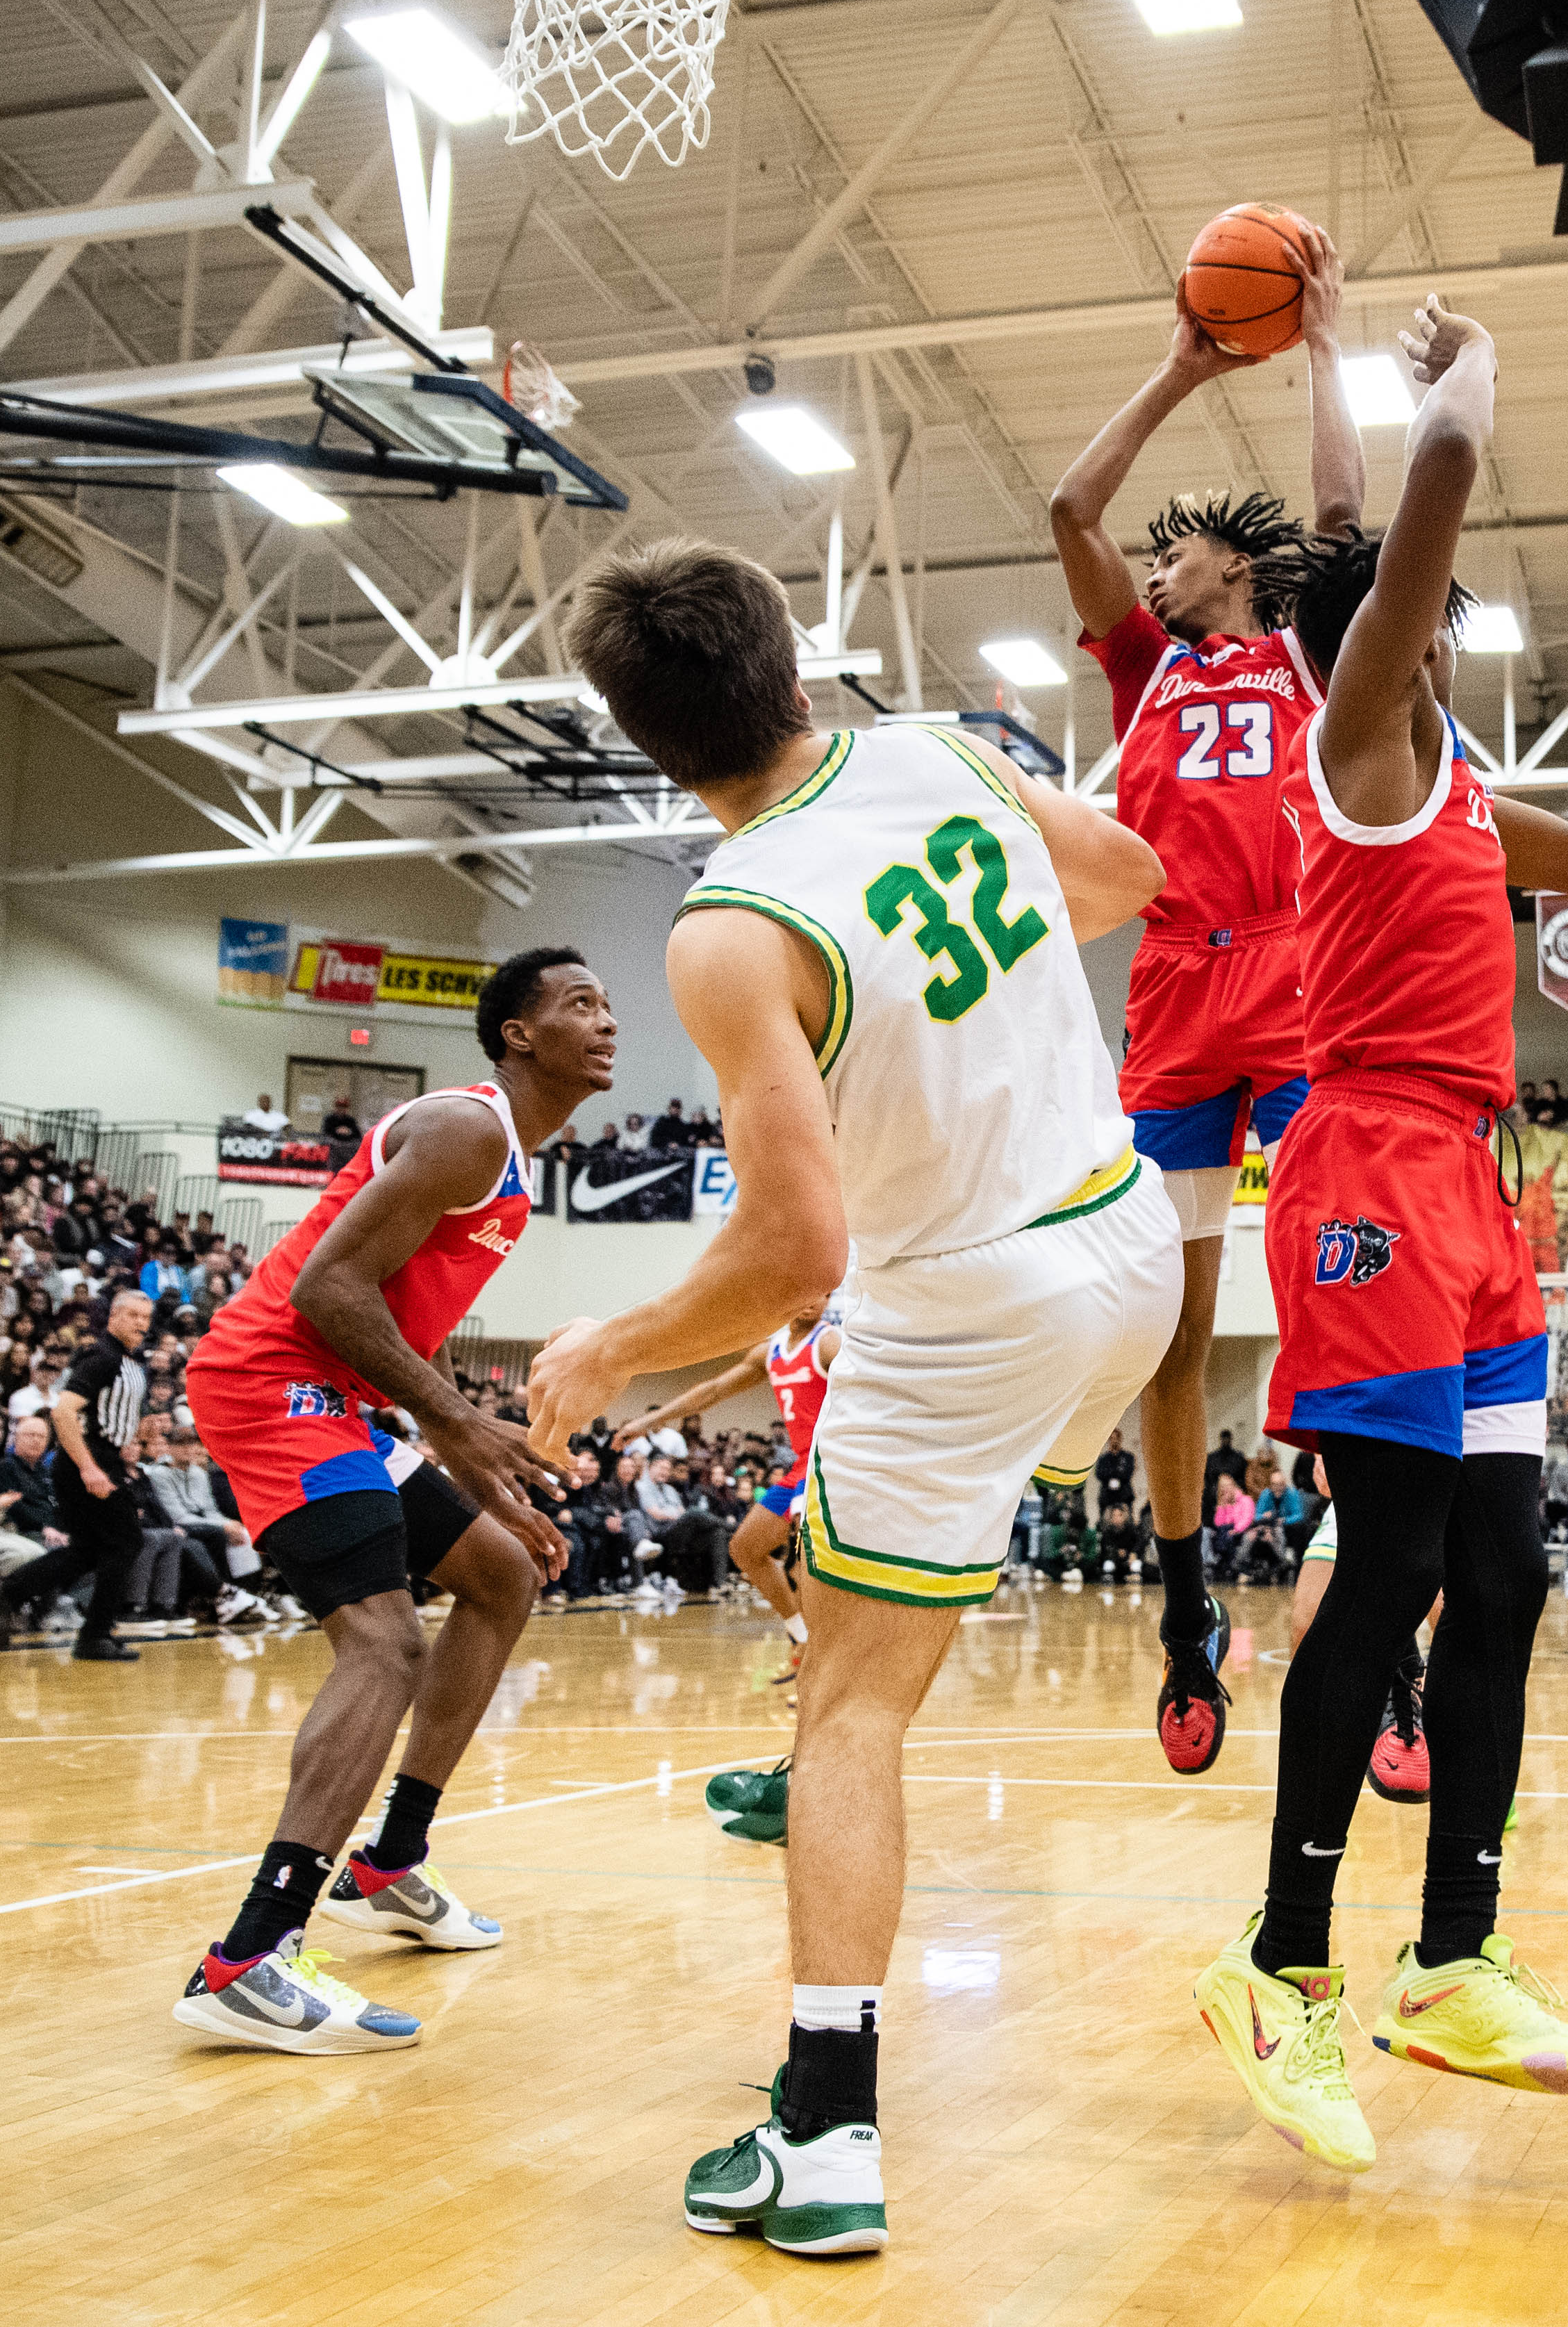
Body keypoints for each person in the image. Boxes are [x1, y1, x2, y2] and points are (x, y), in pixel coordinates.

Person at [520, 536, 1180, 2258]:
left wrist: (613, 1346)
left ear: (650, 749)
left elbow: (800, 1255)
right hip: (1133, 1258)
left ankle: (822, 2137)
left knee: (854, 1711)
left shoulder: (731, 929)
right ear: (795, 672)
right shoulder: (937, 750)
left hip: (965, 1309)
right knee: (831, 1563)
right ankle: (1060, 1573)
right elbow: (1123, 872)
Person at [1206, 295, 1568, 2174]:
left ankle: (1450, 1959)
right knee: (1389, 1570)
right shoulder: (1352, 732)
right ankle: (1280, 1968)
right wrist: (1455, 375)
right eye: (1402, 598)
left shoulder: (1437, 770)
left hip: (1471, 1193)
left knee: (1505, 1577)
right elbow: (1420, 488)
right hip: (1359, 1172)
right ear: (1385, 628)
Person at [171, 951, 614, 2055]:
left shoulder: (510, 1158)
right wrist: (456, 1422)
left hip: (349, 1399)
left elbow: (387, 1312)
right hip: (277, 1383)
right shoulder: (467, 1129)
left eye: (608, 1005)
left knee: (504, 1572)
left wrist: (444, 1433)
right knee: (381, 1644)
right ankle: (250, 1956)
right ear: (515, 1035)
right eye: (579, 1004)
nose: (607, 1022)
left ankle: (391, 1860)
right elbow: (327, 1288)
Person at [1048, 227, 1360, 1778]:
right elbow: (1070, 507)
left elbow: (1343, 520)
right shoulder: (1141, 669)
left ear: (1232, 564)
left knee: (1334, 1302)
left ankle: (1362, 1601)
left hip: (1299, 971)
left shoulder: (1302, 650)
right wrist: (1183, 364)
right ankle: (1183, 1615)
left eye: (1182, 556)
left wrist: (1316, 345)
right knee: (1172, 1327)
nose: (1156, 567)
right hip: (1176, 982)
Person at [632, 1288, 841, 1694]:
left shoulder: (831, 1342)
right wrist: (648, 1423)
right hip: (802, 1467)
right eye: (805, 1291)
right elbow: (711, 1391)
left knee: (811, 1569)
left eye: (823, 1294)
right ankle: (803, 1640)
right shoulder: (772, 1350)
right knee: (745, 1549)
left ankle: (827, 1674)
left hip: (831, 1463)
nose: (812, 1301)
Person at [0, 1293, 156, 1663]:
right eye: (132, 1315)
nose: (141, 1323)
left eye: (146, 1317)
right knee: (126, 1543)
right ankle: (94, 1634)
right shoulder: (103, 1358)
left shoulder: (129, 1361)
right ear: (113, 1316)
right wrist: (89, 1467)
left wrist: (133, 1442)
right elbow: (64, 1413)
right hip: (87, 1460)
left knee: (89, 1550)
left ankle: (8, 1594)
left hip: (101, 1458)